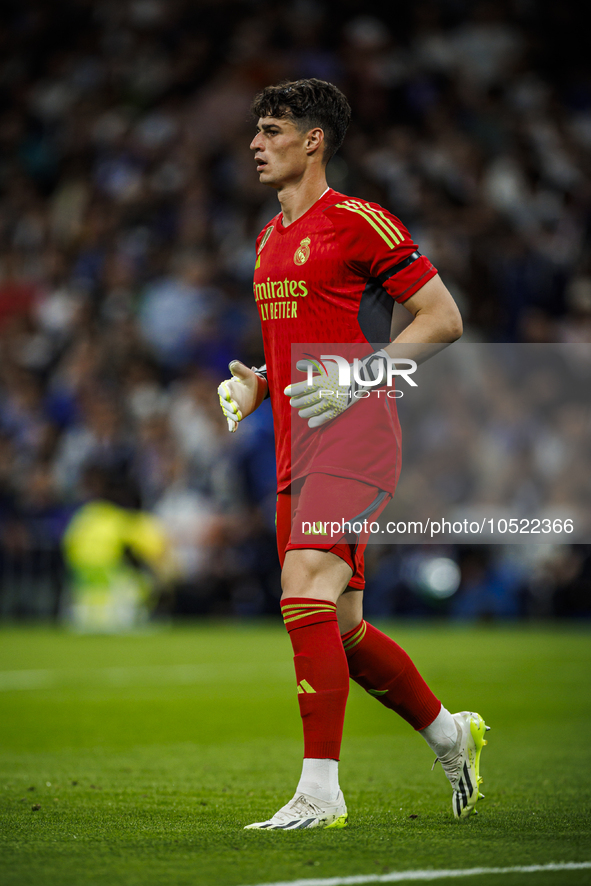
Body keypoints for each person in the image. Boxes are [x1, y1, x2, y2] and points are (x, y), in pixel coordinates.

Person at [218, 78, 489, 830]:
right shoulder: (269, 238)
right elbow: (320, 341)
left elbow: (442, 320)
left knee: (301, 585)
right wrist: (262, 384)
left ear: (314, 141)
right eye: (256, 130)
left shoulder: (360, 222)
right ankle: (449, 732)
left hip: (357, 438)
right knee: (338, 629)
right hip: (293, 449)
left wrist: (360, 381)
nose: (254, 144)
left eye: (271, 129)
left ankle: (319, 792)